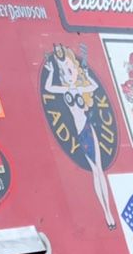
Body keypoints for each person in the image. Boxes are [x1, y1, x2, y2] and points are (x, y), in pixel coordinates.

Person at [44, 43, 117, 228]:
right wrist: (52, 72)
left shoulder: (79, 88)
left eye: (69, 70)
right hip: (80, 133)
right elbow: (49, 87)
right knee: (95, 171)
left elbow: (93, 86)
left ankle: (108, 213)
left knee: (99, 170)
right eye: (63, 72)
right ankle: (106, 212)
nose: (66, 75)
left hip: (88, 129)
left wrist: (83, 74)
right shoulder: (66, 90)